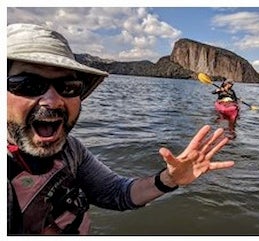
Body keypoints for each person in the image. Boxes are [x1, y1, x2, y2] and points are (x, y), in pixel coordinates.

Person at [7, 23, 236, 235]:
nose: (53, 101)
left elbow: (116, 192)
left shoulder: (70, 150)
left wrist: (169, 179)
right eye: (29, 85)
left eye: (68, 86)